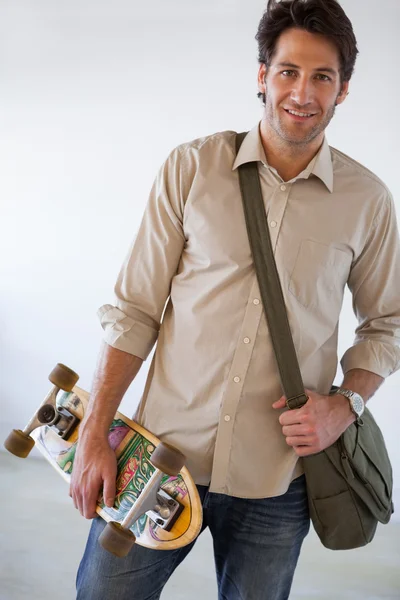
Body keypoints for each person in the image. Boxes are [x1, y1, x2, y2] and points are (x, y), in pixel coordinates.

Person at [72, 0, 400, 598]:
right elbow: (134, 310)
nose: (302, 93)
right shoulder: (192, 168)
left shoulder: (368, 200)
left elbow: (389, 323)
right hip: (157, 458)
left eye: (322, 77)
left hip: (277, 482)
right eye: (288, 71)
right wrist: (95, 431)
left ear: (343, 90)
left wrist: (345, 404)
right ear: (261, 76)